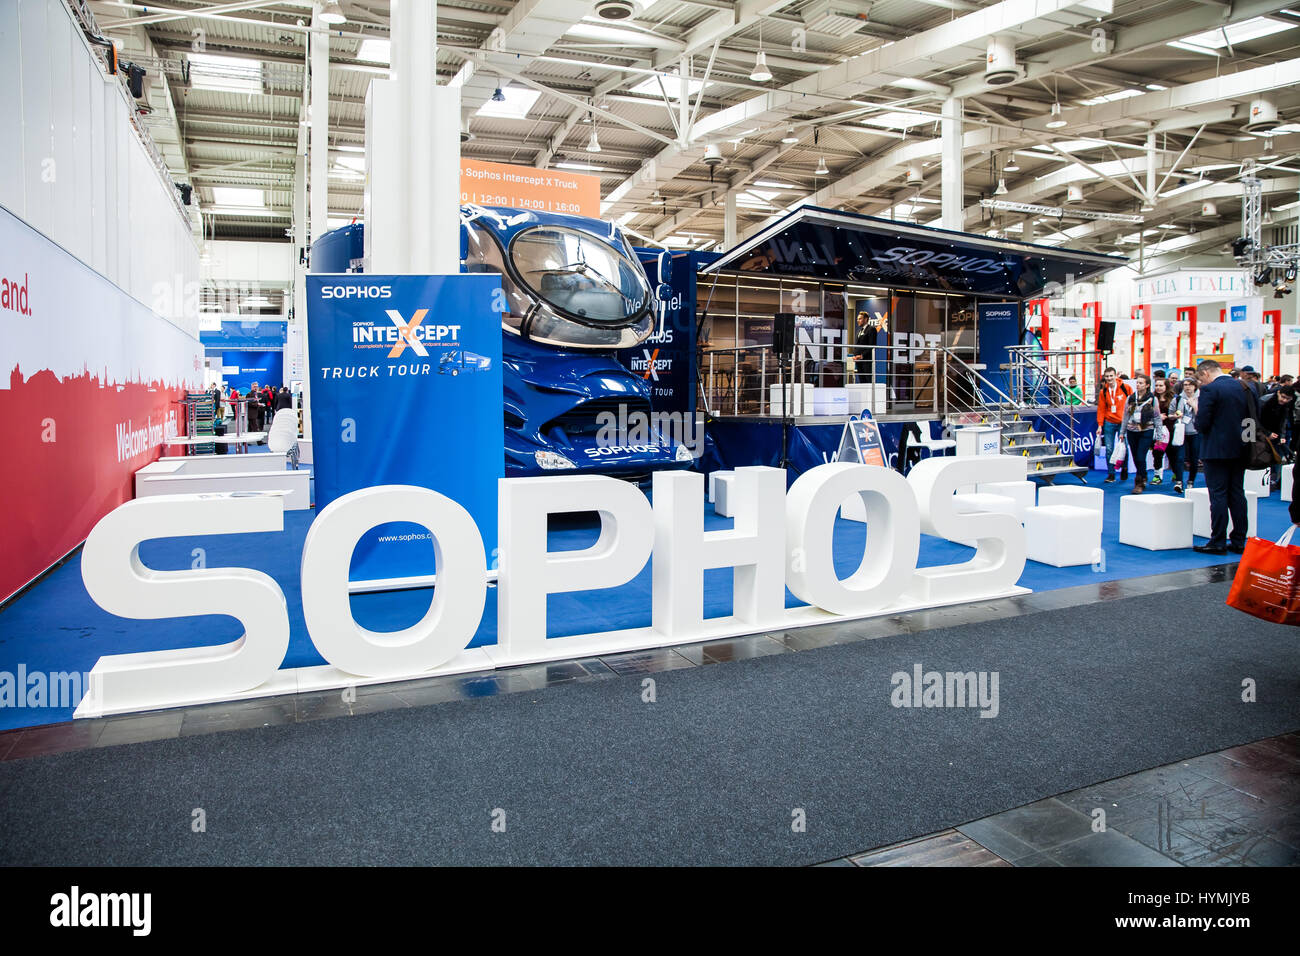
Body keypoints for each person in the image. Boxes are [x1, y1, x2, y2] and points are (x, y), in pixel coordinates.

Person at [1194, 359, 1252, 555]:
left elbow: (1202, 423)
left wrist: (1196, 411)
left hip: (1216, 451)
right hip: (1241, 450)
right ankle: (1239, 540)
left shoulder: (1210, 391)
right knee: (1237, 493)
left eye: (1200, 379)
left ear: (1206, 374)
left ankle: (1218, 541)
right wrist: (1247, 444)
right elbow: (1253, 419)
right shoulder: (1246, 387)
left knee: (1218, 495)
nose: (1201, 383)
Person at [1121, 373, 1158, 494]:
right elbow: (1126, 416)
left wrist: (1159, 432)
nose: (1138, 385)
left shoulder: (1152, 399)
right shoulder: (1131, 398)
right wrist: (1122, 431)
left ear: (1147, 385)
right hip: (1132, 431)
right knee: (1136, 457)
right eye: (1137, 382)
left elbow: (1157, 416)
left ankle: (1139, 482)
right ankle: (1144, 474)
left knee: (1141, 456)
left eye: (1141, 383)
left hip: (1146, 430)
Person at [1096, 367, 1133, 483]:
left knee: (1124, 448)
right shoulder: (1104, 392)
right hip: (1109, 422)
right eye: (1107, 376)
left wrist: (1130, 419)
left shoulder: (1126, 388)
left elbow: (1133, 404)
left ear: (1115, 375)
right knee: (1109, 449)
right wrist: (1100, 425)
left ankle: (1124, 468)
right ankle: (1111, 473)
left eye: (1111, 376)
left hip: (1123, 422)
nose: (1109, 378)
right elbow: (1101, 409)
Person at [1258, 383, 1294, 487]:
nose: (1284, 400)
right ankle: (1264, 481)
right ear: (1278, 393)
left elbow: (1283, 421)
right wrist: (1266, 433)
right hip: (1261, 434)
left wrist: (1282, 436)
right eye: (1283, 397)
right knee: (1262, 458)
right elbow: (1256, 419)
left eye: (1288, 399)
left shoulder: (1286, 406)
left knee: (1277, 457)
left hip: (1276, 435)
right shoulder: (1264, 401)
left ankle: (1274, 481)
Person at [1170, 378, 1199, 495]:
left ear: (1195, 387)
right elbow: (1170, 414)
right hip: (1181, 432)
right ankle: (1179, 482)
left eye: (1190, 385)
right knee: (1179, 458)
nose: (1187, 387)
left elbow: (1203, 415)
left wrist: (1194, 406)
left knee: (1194, 459)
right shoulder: (1177, 399)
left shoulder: (1200, 399)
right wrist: (1175, 416)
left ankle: (1191, 481)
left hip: (1196, 432)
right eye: (1185, 385)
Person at [1150, 376, 1175, 485]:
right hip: (1157, 430)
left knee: (1171, 453)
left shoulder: (1173, 398)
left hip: (1170, 429)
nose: (1158, 388)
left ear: (1166, 386)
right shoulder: (1151, 398)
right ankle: (1157, 476)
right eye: (1156, 385)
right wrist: (1156, 416)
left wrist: (1168, 416)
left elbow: (1178, 413)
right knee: (1157, 453)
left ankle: (1176, 472)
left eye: (1161, 385)